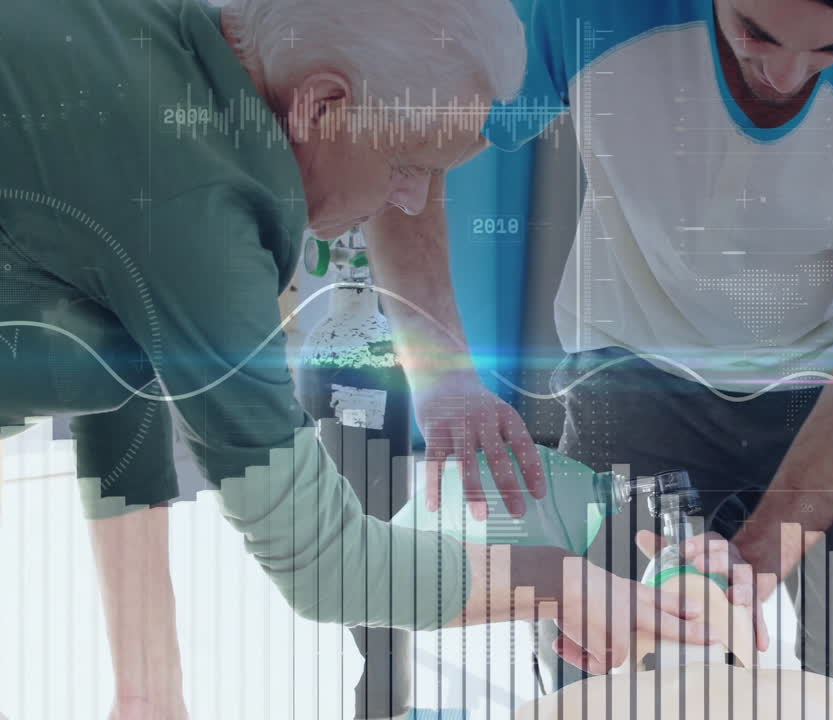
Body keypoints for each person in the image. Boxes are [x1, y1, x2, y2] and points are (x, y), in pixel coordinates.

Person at [0, 1, 720, 718]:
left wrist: (148, 694)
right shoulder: (201, 214)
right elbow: (327, 568)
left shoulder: (140, 39)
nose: (409, 202)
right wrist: (564, 580)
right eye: (406, 165)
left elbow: (124, 359)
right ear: (321, 105)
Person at [366, 0, 833, 716]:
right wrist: (442, 377)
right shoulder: (583, 12)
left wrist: (746, 570)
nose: (785, 77)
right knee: (598, 674)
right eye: (756, 33)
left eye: (830, 51)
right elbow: (397, 148)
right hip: (640, 362)